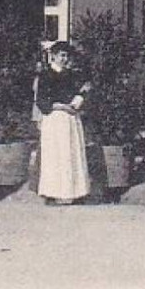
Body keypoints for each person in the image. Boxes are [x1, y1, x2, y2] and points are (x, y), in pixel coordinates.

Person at [33, 41, 92, 204]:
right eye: (62, 55)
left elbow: (80, 92)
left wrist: (77, 101)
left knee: (71, 154)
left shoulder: (71, 75)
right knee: (55, 155)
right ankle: (52, 193)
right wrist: (60, 106)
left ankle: (74, 192)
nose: (65, 59)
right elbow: (41, 100)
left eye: (67, 55)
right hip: (55, 119)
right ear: (53, 56)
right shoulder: (45, 76)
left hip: (71, 119)